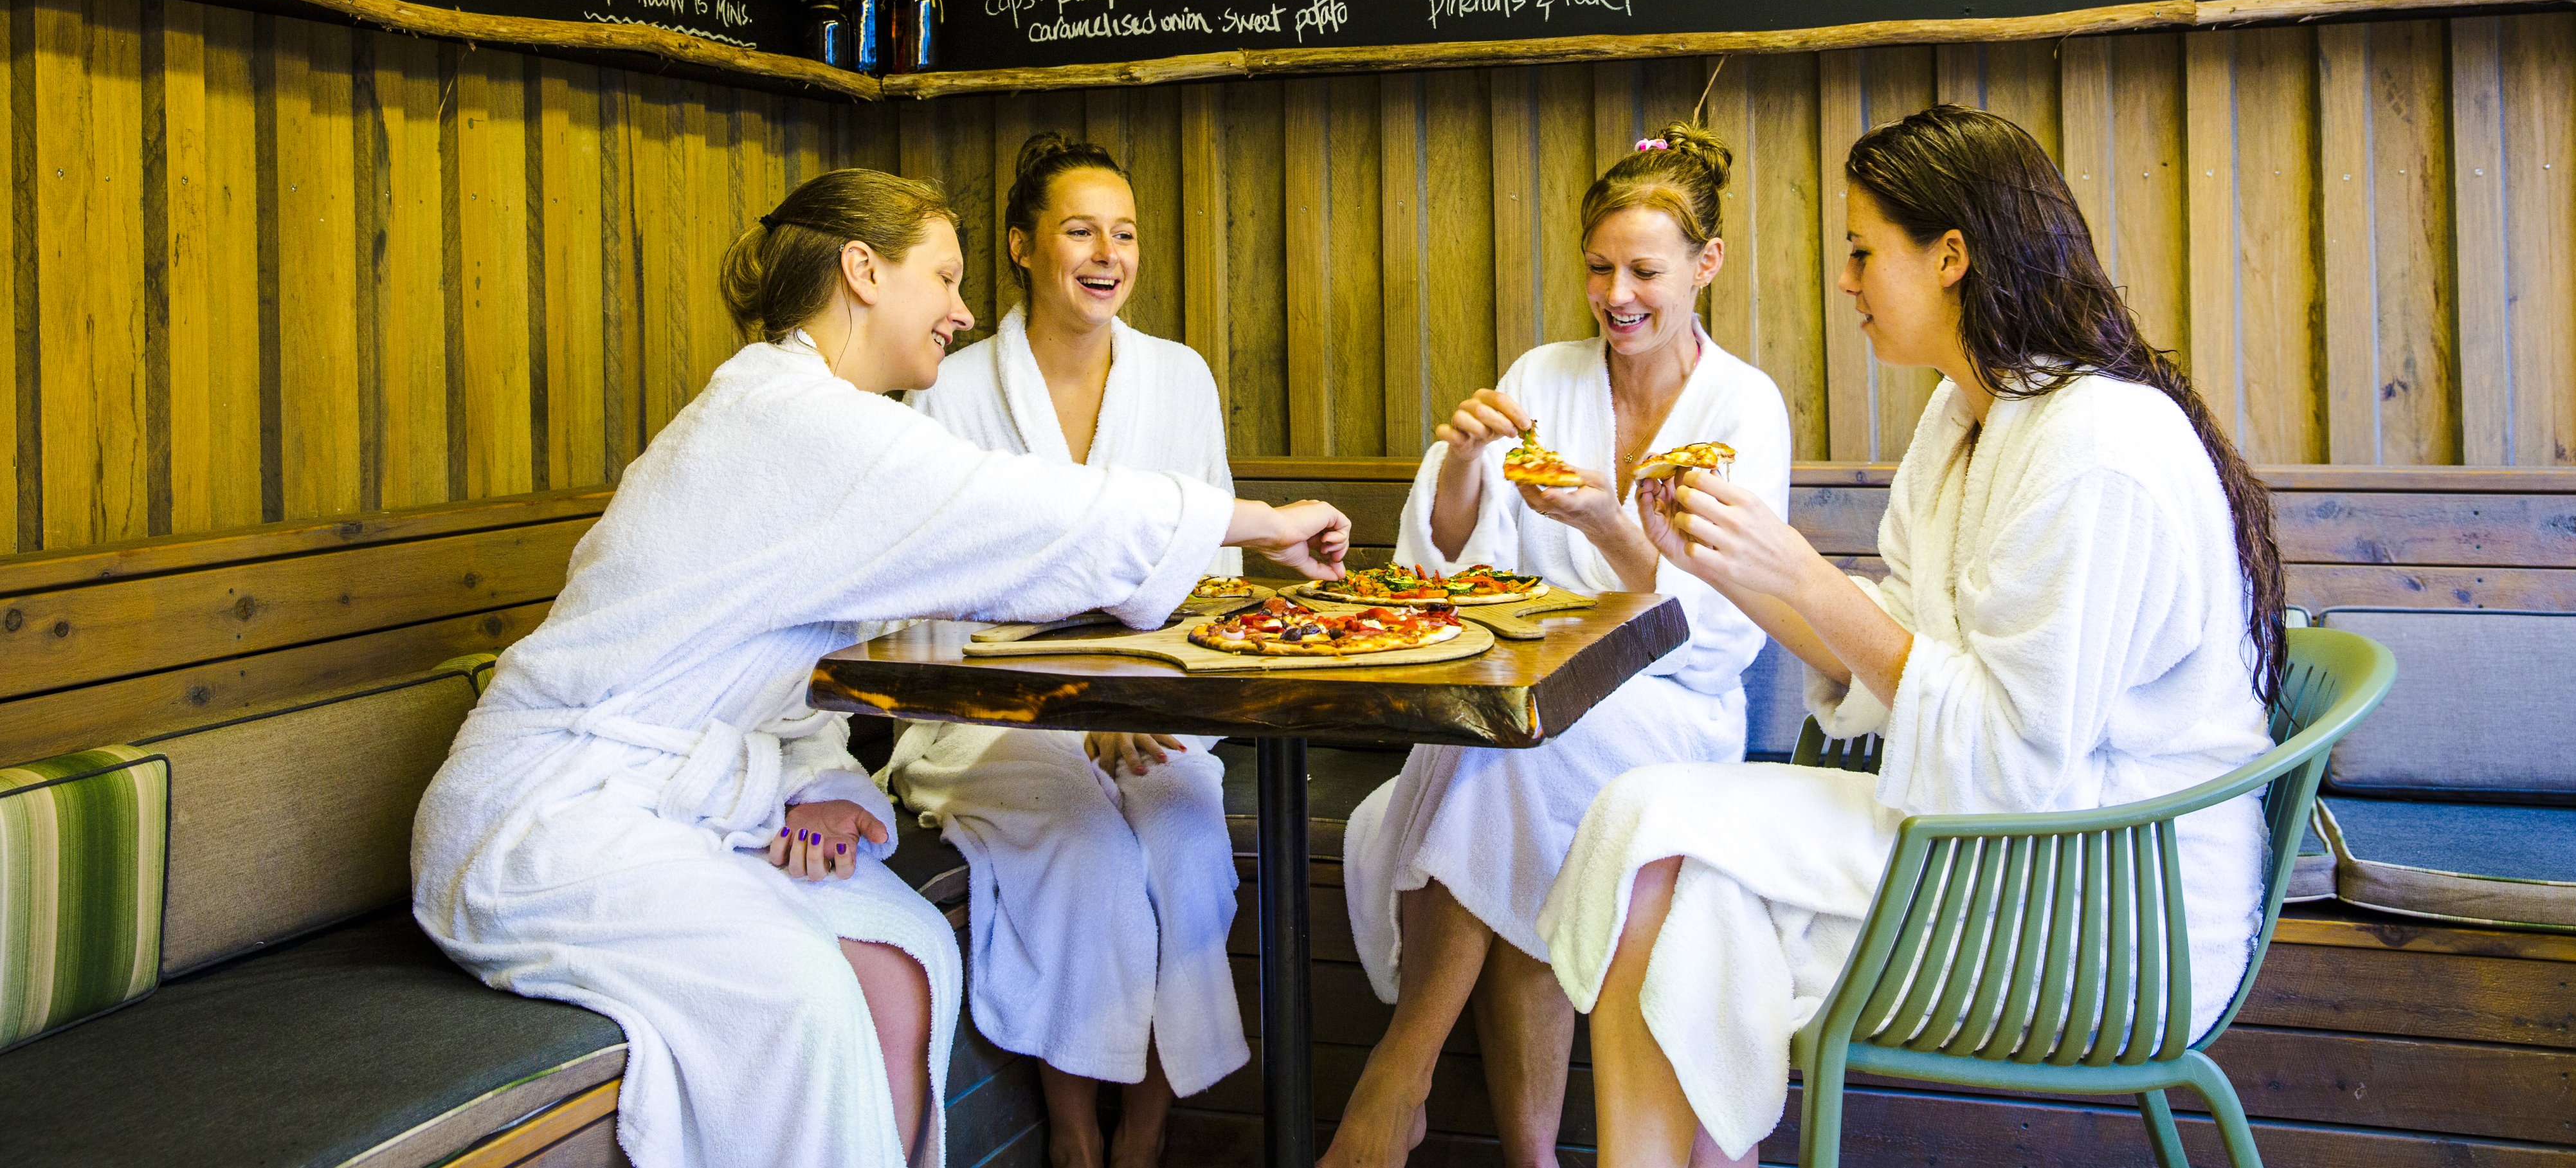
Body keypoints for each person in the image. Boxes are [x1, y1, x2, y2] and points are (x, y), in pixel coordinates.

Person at [411, 168, 1351, 1168]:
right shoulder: (788, 417)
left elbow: (774, 647)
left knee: (907, 954)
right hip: (544, 821)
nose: (964, 308)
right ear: (862, 271)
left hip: (674, 796)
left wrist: (818, 781)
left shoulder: (823, 418)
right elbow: (1025, 511)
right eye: (942, 278)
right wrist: (1258, 521)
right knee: (807, 996)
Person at [1541, 105, 2284, 1168]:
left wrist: (1797, 567)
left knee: (1657, 835)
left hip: (2113, 900)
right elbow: (1905, 656)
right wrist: (1733, 569)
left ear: (1950, 258)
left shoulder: (2098, 449)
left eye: (1860, 249)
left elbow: (2015, 753)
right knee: (1665, 859)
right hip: (2002, 838)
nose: (1844, 280)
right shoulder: (1961, 419)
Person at [1325, 122, 1792, 1168]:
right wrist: (1459, 463)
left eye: (1644, 270)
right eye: (1597, 265)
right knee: (1517, 758)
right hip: (1534, 687)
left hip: (1674, 709)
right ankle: (1519, 1152)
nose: (1616, 293)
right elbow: (1446, 568)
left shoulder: (1744, 406)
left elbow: (1716, 638)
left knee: (1508, 749)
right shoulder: (1545, 371)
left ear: (1706, 266)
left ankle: (1400, 1075)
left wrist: (1606, 524)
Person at [888, 134, 1246, 1168]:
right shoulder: (949, 392)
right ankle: (1078, 1134)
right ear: (1021, 246)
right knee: (1089, 850)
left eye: (1125, 233)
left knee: (1183, 839)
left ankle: (1147, 1128)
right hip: (988, 709)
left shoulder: (1179, 380)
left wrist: (1127, 700)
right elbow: (942, 598)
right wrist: (1067, 704)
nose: (1108, 253)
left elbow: (1208, 572)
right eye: (1080, 229)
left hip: (1152, 700)